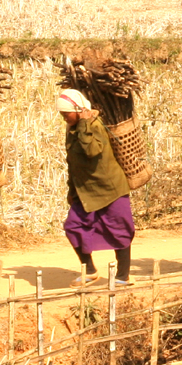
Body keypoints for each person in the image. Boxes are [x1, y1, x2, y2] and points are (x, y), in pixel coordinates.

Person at [58, 89, 135, 287]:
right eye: (62, 114)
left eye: (66, 113)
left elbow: (91, 150)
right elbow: (73, 163)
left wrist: (84, 123)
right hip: (86, 191)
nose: (64, 117)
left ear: (78, 109)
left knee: (120, 230)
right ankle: (90, 271)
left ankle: (123, 276)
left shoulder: (94, 125)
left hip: (110, 188)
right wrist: (72, 191)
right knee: (73, 227)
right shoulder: (73, 129)